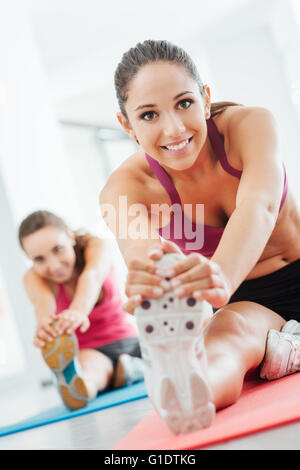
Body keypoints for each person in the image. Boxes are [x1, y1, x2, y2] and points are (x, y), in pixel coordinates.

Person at [100, 39, 300, 432]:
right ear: (127, 125)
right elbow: (139, 245)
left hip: (261, 274)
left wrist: (220, 279)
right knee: (226, 335)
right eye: (149, 114)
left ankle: (288, 348)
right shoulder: (122, 190)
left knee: (223, 317)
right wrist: (151, 277)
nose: (173, 128)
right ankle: (192, 394)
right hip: (254, 303)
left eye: (184, 103)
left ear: (206, 99)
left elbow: (258, 207)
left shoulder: (251, 124)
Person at [19, 210, 144, 410]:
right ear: (30, 260)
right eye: (39, 259)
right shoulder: (32, 277)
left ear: (70, 236)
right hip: (91, 352)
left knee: (161, 353)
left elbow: (92, 276)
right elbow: (42, 300)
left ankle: (130, 368)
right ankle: (108, 377)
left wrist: (78, 310)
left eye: (58, 249)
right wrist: (45, 325)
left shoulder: (96, 246)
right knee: (89, 376)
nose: (53, 265)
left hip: (130, 340)